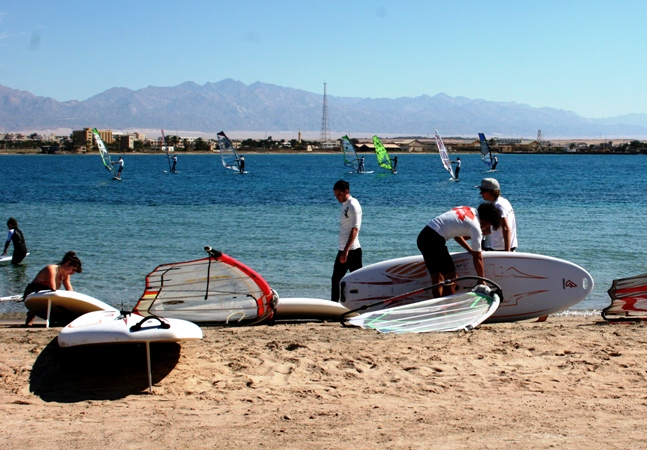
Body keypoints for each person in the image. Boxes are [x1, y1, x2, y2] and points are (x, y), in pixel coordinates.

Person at [417, 203, 501, 298]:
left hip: (423, 237)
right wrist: (481, 279)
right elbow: (477, 257)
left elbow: (456, 235)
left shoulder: (468, 209)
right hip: (434, 240)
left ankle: (439, 308)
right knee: (452, 278)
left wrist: (470, 249)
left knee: (437, 278)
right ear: (486, 222)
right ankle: (446, 307)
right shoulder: (475, 227)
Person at [23, 251, 83, 326]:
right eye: (73, 270)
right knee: (52, 295)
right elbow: (52, 287)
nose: (72, 273)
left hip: (48, 294)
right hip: (33, 293)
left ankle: (54, 319)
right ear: (67, 263)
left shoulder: (66, 274)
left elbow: (69, 290)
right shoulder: (51, 269)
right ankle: (30, 317)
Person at [331, 179, 362, 302]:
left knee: (358, 282)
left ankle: (361, 305)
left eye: (339, 194)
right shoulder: (345, 205)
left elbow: (355, 229)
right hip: (344, 249)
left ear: (346, 191)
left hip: (352, 251)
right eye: (336, 195)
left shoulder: (353, 205)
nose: (337, 198)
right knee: (336, 280)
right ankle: (333, 307)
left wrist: (346, 251)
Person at [476, 178, 517, 252]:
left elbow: (506, 228)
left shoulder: (498, 205)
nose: (480, 193)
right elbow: (495, 228)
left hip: (502, 249)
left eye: (482, 191)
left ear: (490, 191)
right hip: (500, 248)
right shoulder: (503, 201)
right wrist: (472, 235)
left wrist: (507, 252)